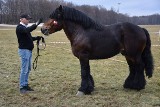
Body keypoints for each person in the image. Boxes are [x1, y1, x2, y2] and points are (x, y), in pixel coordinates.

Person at [16, 14, 42, 94]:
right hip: (24, 51)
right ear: (21, 19)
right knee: (24, 69)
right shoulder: (20, 28)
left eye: (29, 19)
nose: (28, 20)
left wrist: (36, 38)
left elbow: (29, 38)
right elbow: (27, 31)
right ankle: (22, 87)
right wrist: (36, 24)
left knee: (27, 69)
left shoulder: (24, 28)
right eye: (27, 19)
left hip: (28, 51)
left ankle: (25, 85)